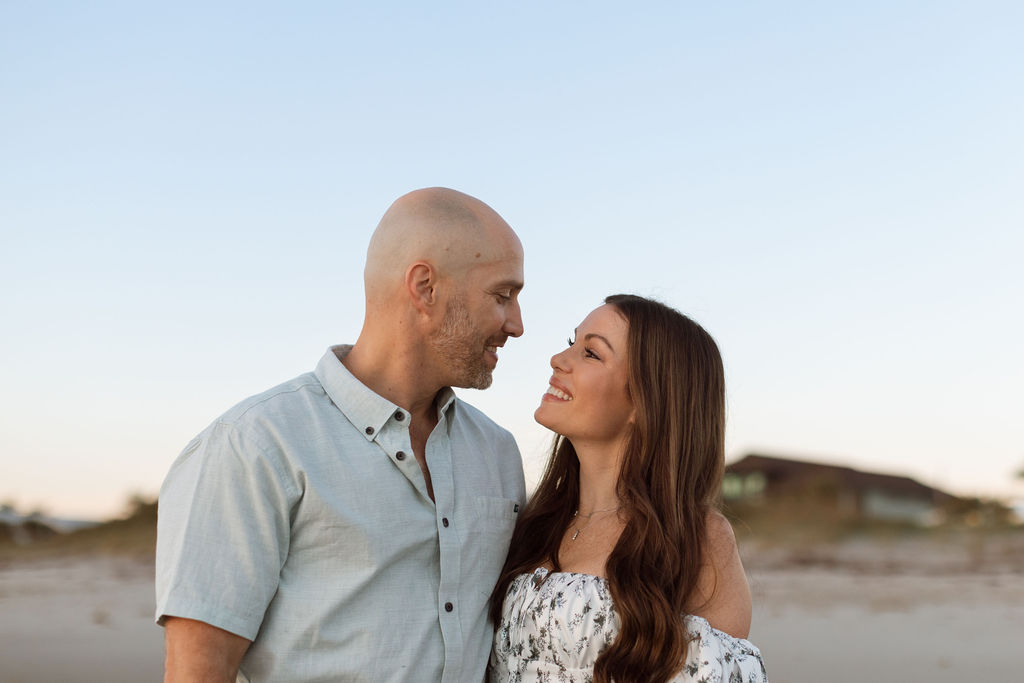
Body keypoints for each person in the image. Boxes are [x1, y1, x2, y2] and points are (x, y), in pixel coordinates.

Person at [156, 187, 528, 682]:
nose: (517, 325)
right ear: (425, 287)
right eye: (502, 296)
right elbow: (197, 674)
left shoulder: (498, 452)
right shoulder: (254, 447)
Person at [489, 294, 768, 683]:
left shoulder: (694, 536)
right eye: (571, 341)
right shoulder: (533, 522)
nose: (559, 359)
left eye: (590, 353)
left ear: (644, 399)